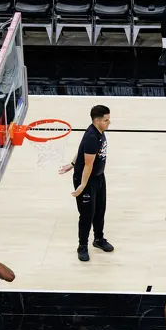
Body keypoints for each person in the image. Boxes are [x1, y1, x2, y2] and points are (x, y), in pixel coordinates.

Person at [59, 105, 114, 262]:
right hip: (87, 179)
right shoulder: (91, 136)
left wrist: (72, 163)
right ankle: (82, 246)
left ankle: (98, 239)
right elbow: (88, 164)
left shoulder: (98, 131)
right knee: (86, 215)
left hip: (98, 177)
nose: (109, 122)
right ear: (97, 120)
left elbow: (81, 150)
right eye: (106, 120)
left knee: (100, 209)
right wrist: (83, 185)